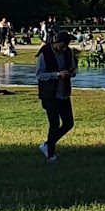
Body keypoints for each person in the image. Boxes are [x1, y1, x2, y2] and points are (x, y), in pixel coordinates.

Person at [36, 31, 77, 161]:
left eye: (66, 46)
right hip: (49, 94)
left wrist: (70, 73)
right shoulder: (45, 53)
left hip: (63, 93)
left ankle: (47, 144)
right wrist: (57, 75)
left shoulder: (68, 52)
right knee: (54, 124)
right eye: (62, 46)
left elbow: (73, 69)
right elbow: (39, 75)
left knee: (69, 123)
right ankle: (51, 155)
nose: (63, 49)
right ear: (56, 42)